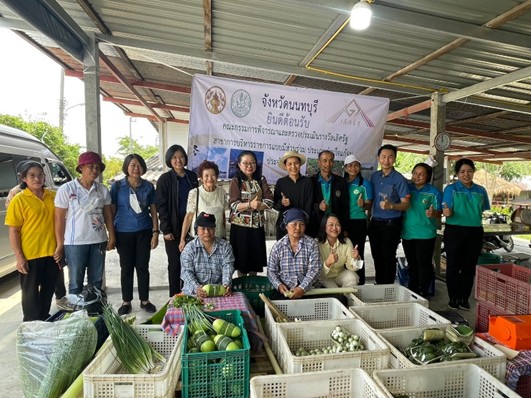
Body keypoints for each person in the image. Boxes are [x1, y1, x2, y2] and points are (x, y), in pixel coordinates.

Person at [5, 161, 60, 321]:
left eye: (40, 175)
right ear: (24, 178)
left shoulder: (53, 196)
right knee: (30, 295)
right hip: (30, 254)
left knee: (48, 290)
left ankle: (43, 320)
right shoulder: (19, 200)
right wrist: (19, 257)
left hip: (52, 252)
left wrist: (61, 247)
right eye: (32, 175)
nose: (37, 178)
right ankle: (31, 325)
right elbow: (14, 230)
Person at [55, 151, 116, 294]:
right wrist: (59, 244)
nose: (95, 170)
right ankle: (77, 315)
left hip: (98, 241)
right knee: (76, 282)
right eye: (91, 166)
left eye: (98, 168)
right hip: (75, 243)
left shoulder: (102, 189)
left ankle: (94, 314)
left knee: (96, 282)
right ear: (81, 167)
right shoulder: (67, 189)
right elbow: (59, 219)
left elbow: (108, 216)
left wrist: (111, 236)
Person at [110, 154, 159, 315]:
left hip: (144, 231)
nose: (136, 168)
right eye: (132, 165)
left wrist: (155, 232)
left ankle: (144, 300)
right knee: (126, 268)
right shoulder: (117, 187)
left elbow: (153, 210)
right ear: (126, 167)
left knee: (143, 267)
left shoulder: (148, 187)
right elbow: (111, 211)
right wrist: (111, 234)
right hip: (123, 233)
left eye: (138, 165)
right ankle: (126, 301)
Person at [443, 158, 489, 310]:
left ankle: (464, 298)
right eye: (462, 172)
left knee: (469, 267)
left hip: (475, 232)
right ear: (457, 173)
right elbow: (446, 209)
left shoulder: (481, 190)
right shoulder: (451, 189)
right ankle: (453, 298)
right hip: (454, 231)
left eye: (469, 171)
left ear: (473, 172)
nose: (466, 174)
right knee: (453, 266)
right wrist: (446, 212)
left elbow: (482, 210)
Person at [156, 144, 198, 297]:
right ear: (169, 160)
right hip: (173, 228)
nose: (178, 160)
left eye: (181, 156)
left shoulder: (192, 177)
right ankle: (174, 296)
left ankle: (190, 294)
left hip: (192, 227)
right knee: (175, 264)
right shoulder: (164, 179)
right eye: (174, 157)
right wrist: (166, 230)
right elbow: (161, 206)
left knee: (191, 264)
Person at [368, 144, 410, 284]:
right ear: (379, 158)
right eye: (383, 157)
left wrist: (391, 205)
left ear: (395, 159)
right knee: (376, 256)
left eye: (390, 157)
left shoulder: (399, 179)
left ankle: (388, 288)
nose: (386, 160)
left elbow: (406, 204)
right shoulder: (374, 177)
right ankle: (379, 284)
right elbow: (371, 200)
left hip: (391, 224)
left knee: (388, 257)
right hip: (375, 223)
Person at [229, 150, 274, 276]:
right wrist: (250, 205)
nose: (249, 166)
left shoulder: (261, 179)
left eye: (252, 163)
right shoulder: (236, 181)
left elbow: (270, 201)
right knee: (242, 263)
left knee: (255, 261)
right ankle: (242, 291)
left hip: (257, 228)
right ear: (239, 164)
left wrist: (257, 206)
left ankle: (253, 288)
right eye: (246, 163)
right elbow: (233, 205)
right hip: (240, 229)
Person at [401, 163, 442, 298]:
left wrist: (433, 213)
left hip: (426, 234)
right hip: (407, 233)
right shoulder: (406, 188)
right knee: (412, 264)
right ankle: (413, 291)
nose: (417, 176)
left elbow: (439, 212)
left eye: (421, 174)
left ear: (428, 176)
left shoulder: (433, 192)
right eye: (415, 173)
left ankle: (424, 292)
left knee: (424, 265)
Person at [181, 212, 235, 298]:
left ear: (214, 229)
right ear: (196, 230)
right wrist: (197, 288)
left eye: (210, 228)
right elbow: (186, 272)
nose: (207, 232)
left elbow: (227, 268)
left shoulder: (225, 246)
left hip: (218, 293)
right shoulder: (190, 248)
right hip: (193, 293)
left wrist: (226, 285)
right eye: (203, 228)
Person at [179, 160, 227, 251]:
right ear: (201, 178)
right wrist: (182, 239)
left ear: (217, 177)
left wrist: (225, 235)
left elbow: (223, 215)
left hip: (218, 238)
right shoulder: (194, 193)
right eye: (206, 176)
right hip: (200, 239)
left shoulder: (222, 192)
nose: (210, 178)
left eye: (213, 175)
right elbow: (189, 217)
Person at [343, 154, 373, 285]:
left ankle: (360, 282)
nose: (353, 168)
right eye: (350, 165)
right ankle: (347, 281)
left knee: (357, 252)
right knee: (344, 252)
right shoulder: (342, 182)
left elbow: (369, 203)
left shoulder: (365, 184)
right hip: (343, 221)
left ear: (359, 167)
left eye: (356, 165)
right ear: (345, 168)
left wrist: (363, 204)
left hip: (358, 222)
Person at [273, 151, 314, 240]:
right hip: (284, 226)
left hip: (303, 226)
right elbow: (275, 205)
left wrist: (303, 223)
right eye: (289, 164)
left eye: (296, 163)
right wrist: (282, 203)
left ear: (300, 164)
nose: (293, 167)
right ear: (285, 166)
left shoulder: (307, 182)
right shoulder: (281, 182)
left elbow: (309, 205)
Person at [309, 150, 349, 237]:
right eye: (325, 160)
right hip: (317, 226)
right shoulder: (311, 182)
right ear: (319, 162)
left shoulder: (341, 182)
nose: (328, 164)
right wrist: (318, 206)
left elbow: (345, 206)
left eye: (331, 160)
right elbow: (308, 204)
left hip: (335, 228)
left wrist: (345, 228)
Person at [317, 213, 363, 288]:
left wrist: (356, 258)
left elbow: (352, 268)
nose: (334, 228)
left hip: (339, 274)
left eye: (337, 225)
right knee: (335, 293)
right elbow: (317, 273)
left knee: (353, 278)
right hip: (324, 277)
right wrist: (328, 263)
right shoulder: (316, 244)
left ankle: (347, 299)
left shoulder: (347, 242)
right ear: (324, 227)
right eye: (331, 225)